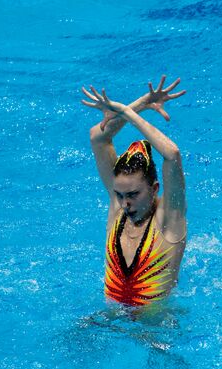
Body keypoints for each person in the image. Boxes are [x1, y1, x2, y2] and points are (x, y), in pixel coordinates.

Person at [82, 76, 187, 306]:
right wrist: (140, 104)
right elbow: (98, 138)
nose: (124, 203)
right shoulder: (119, 210)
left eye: (132, 195)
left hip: (154, 336)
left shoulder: (169, 220)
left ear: (154, 189)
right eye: (119, 195)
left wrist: (128, 114)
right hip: (109, 324)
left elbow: (172, 155)